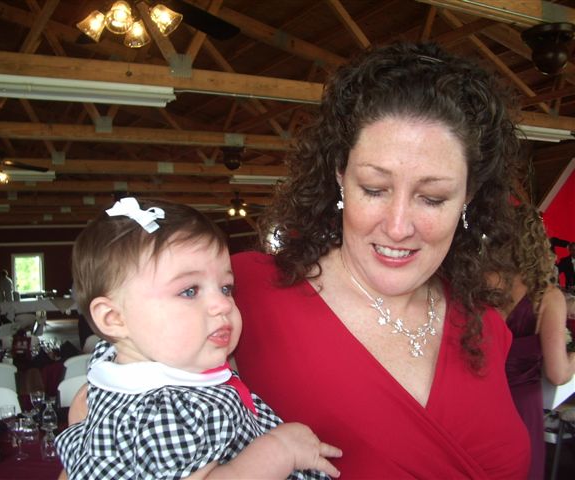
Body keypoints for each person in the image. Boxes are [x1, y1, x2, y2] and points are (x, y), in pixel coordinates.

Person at [230, 42, 531, 478]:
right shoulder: (240, 295)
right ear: (340, 175)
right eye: (374, 189)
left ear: (468, 196)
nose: (398, 226)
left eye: (432, 198)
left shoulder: (484, 326)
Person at [55, 197, 341, 480]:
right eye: (189, 291)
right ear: (114, 318)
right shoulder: (164, 416)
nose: (223, 304)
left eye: (226, 288)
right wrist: (280, 451)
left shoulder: (120, 361)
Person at [487, 203, 575, 479]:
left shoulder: (480, 284)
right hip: (521, 407)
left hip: (481, 399)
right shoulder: (547, 297)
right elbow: (558, 374)